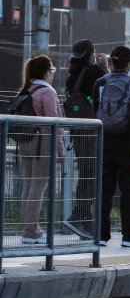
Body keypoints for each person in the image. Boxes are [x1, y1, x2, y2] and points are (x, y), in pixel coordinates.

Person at [92, 46, 130, 247]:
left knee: (104, 191)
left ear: (112, 62)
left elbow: (95, 110)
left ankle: (100, 235)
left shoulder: (100, 83)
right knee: (129, 191)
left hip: (105, 143)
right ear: (128, 64)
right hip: (129, 145)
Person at [16, 55, 65, 244]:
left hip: (26, 142)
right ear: (46, 72)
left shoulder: (28, 89)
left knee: (28, 186)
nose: (52, 73)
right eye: (52, 70)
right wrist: (59, 147)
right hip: (42, 143)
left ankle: (27, 229)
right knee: (39, 186)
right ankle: (32, 231)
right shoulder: (47, 92)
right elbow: (55, 121)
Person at [62, 39, 108, 240]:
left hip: (78, 130)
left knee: (86, 173)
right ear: (90, 54)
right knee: (93, 174)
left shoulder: (71, 77)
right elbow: (108, 88)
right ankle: (78, 215)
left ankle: (85, 223)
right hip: (93, 131)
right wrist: (105, 68)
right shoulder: (95, 72)